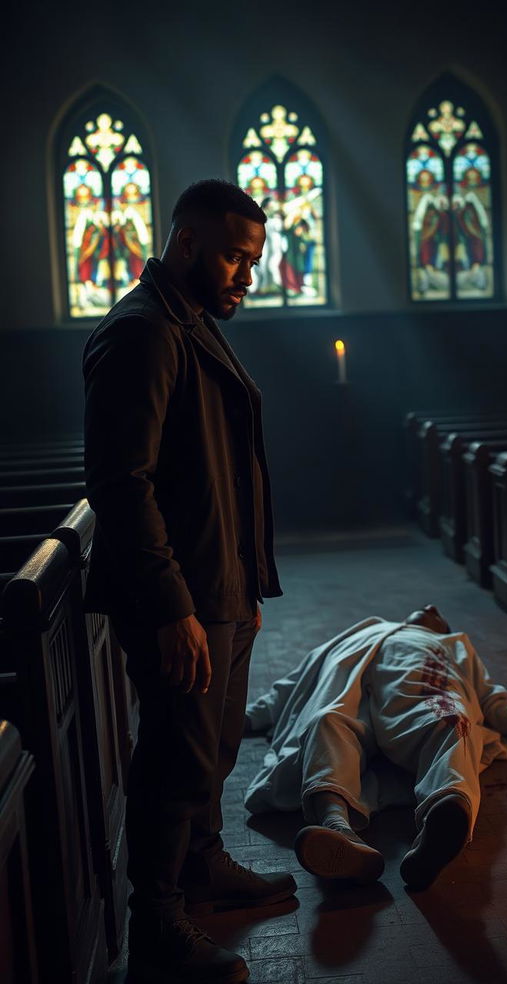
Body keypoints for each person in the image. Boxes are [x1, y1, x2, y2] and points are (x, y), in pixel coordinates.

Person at [83, 179, 296, 984]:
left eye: (255, 260)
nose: (248, 274)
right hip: (182, 598)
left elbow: (217, 472)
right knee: (175, 761)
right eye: (237, 257)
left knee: (210, 751)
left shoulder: (190, 320)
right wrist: (174, 607)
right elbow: (121, 482)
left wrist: (244, 588)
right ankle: (158, 926)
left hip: (221, 588)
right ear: (186, 244)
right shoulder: (144, 332)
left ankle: (203, 866)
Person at [244, 606, 507, 890]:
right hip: (353, 699)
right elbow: (293, 683)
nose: (431, 607)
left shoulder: (454, 645)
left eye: (438, 613)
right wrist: (246, 717)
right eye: (425, 607)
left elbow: (492, 700)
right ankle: (337, 829)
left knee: (450, 719)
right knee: (327, 721)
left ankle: (443, 816)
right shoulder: (362, 631)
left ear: (443, 629)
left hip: (422, 697)